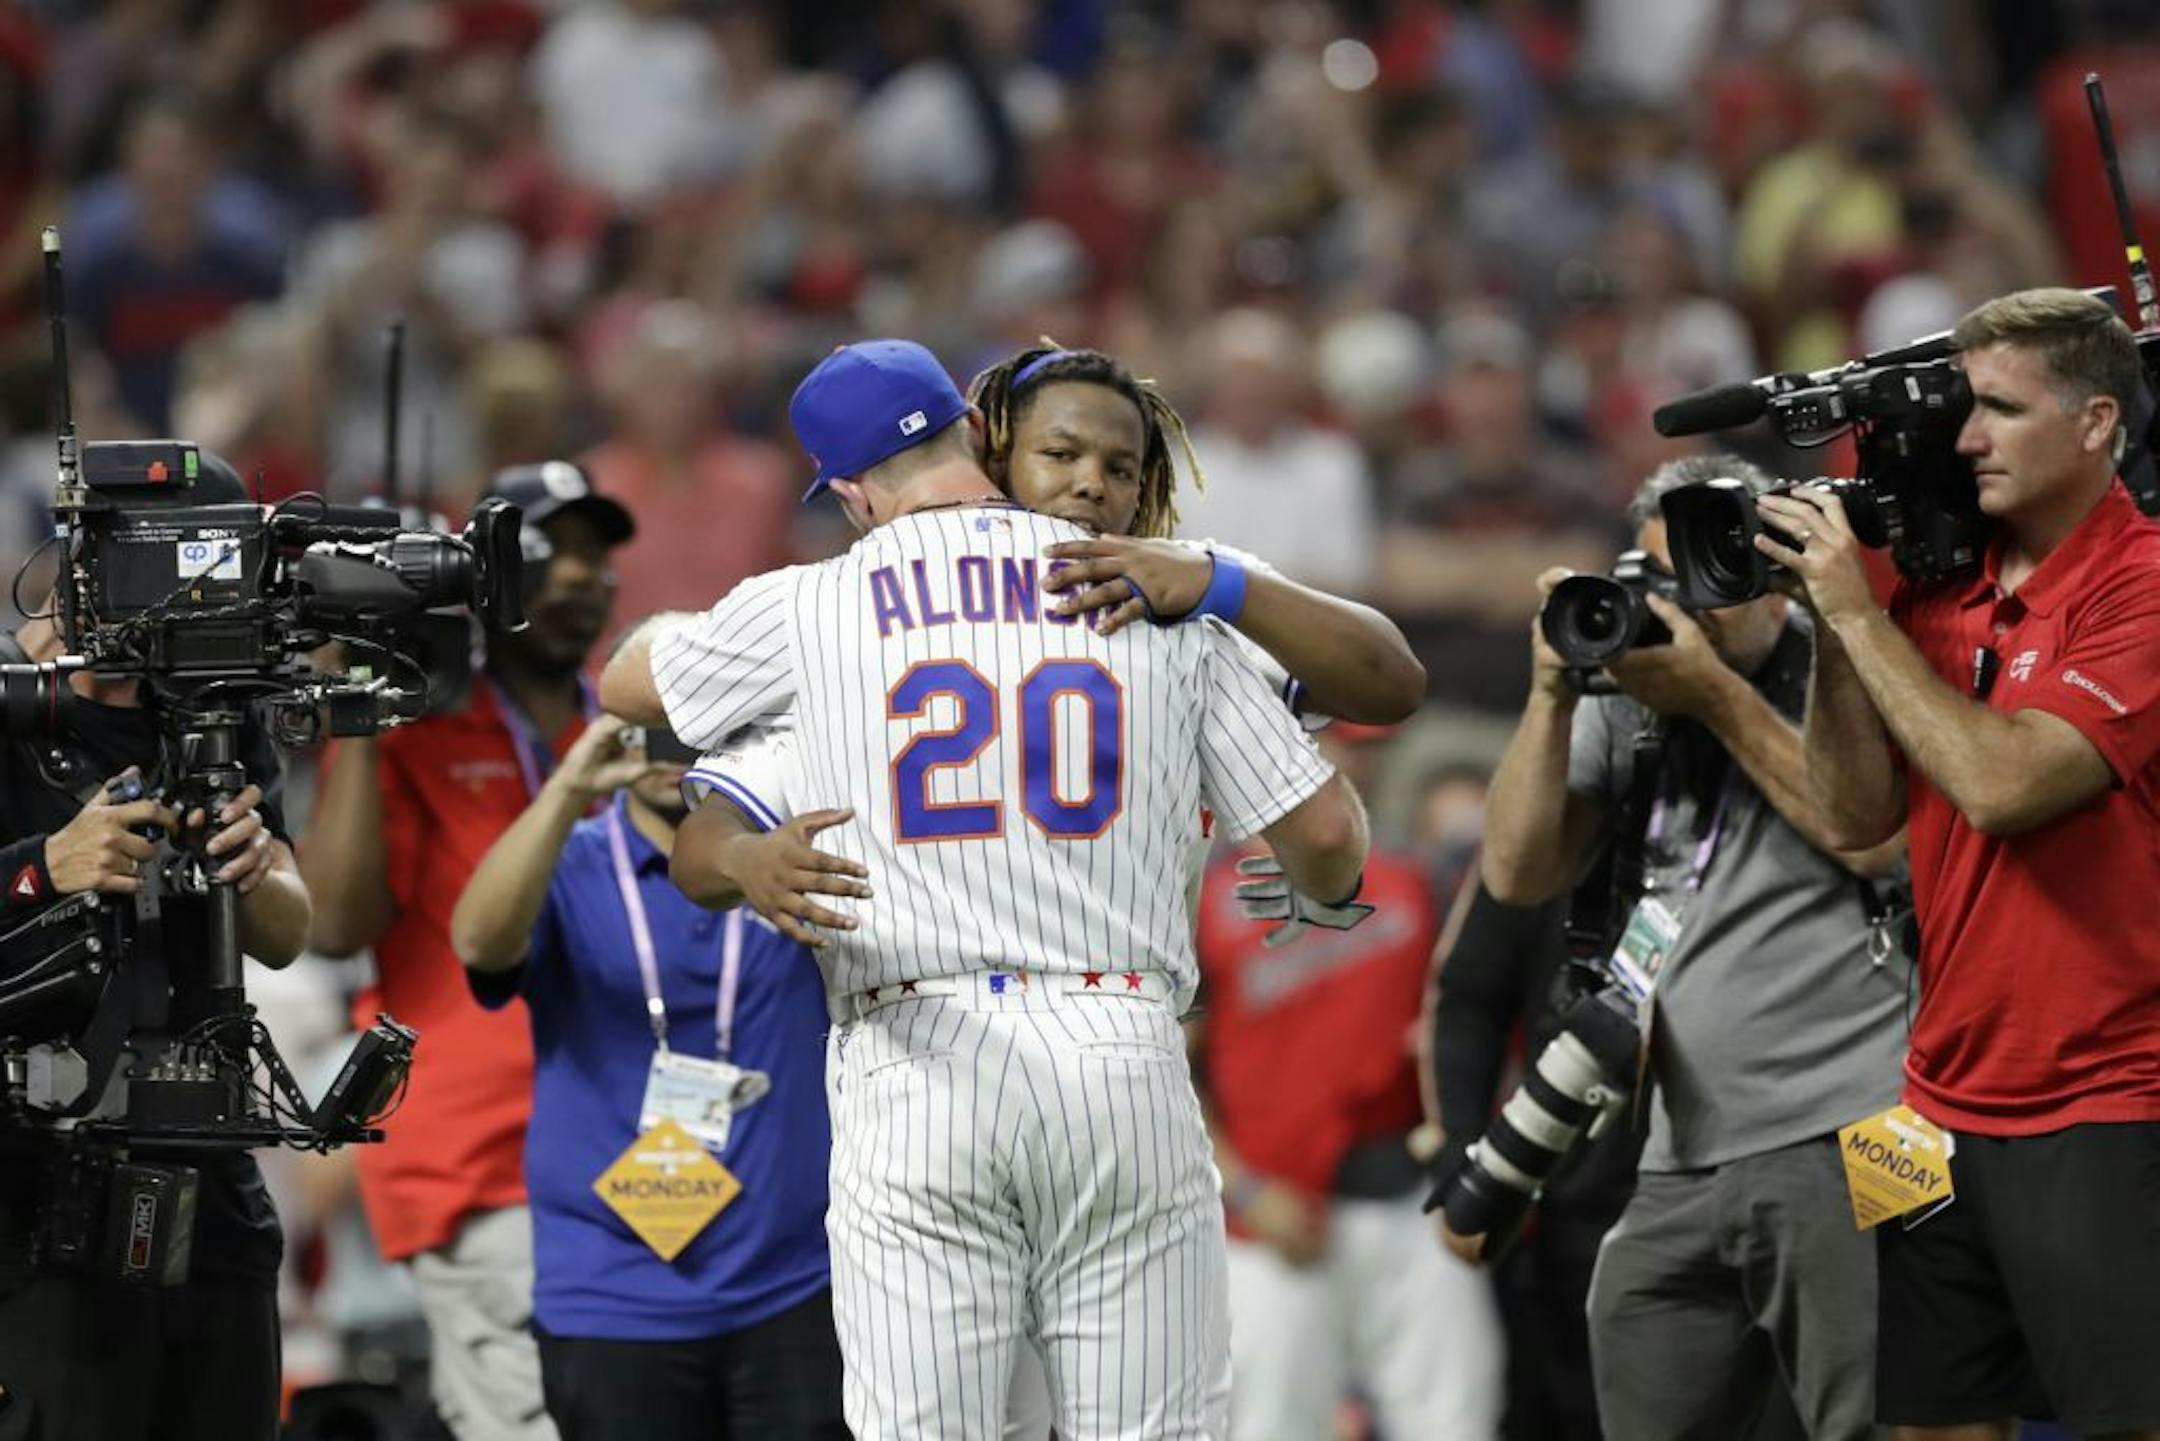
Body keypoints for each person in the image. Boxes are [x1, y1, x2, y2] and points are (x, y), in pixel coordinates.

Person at [601, 338, 1372, 1441]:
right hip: (1118, 1038)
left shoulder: (815, 611)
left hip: (913, 1049)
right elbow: (1331, 839)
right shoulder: (1151, 586)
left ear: (854, 490)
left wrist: (685, 639)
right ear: (975, 432)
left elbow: (629, 680)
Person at [1763, 286, 2160, 1438]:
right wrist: (1842, 623)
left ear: (2095, 422)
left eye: (1998, 409)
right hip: (1926, 1105)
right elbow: (1850, 816)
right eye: (1962, 410)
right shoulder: (1938, 590)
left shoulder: (2142, 586)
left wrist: (1862, 616)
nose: (1967, 438)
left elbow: (2004, 786)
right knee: (1928, 1421)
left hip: (2100, 1100)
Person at [1465, 452, 1912, 1439]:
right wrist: (1551, 694)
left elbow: (1875, 837)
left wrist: (1714, 697)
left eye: (1711, 570)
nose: (1688, 604)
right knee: (1639, 1355)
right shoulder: (1631, 694)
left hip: (1864, 1122)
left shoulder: (1850, 660)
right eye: (1663, 575)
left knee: (1878, 1415)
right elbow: (1516, 873)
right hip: (1678, 1151)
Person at [302, 461, 634, 1441]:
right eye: (550, 549)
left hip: (631, 1146)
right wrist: (361, 715)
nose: (579, 575)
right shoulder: (417, 728)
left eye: (596, 553)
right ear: (482, 572)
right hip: (486, 1159)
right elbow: (334, 924)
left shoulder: (622, 732)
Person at [0, 455, 309, 1439]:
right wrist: (44, 864)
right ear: (80, 559)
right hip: (34, 1179)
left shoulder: (217, 709)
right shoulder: (9, 710)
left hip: (205, 1165)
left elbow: (292, 933)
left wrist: (259, 868)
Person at [449, 720, 846, 1441]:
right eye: (654, 729)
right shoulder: (565, 861)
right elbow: (478, 942)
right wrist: (568, 789)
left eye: (704, 729)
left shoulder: (791, 862)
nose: (675, 751)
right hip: (610, 1291)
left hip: (799, 1282)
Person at [1191, 722, 1506, 1441]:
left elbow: (1470, 1024)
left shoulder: (1414, 876)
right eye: (1339, 742)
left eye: (1369, 746)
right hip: (1272, 1218)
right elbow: (1166, 1074)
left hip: (1409, 1200)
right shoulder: (1202, 895)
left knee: (1458, 1423)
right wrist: (1239, 1185)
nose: (1355, 762)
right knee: (1271, 1427)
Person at [1427, 877, 1639, 1441]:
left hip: (1754, 1175)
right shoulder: (1573, 807)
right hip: (1580, 1200)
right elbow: (1469, 995)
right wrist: (1467, 1166)